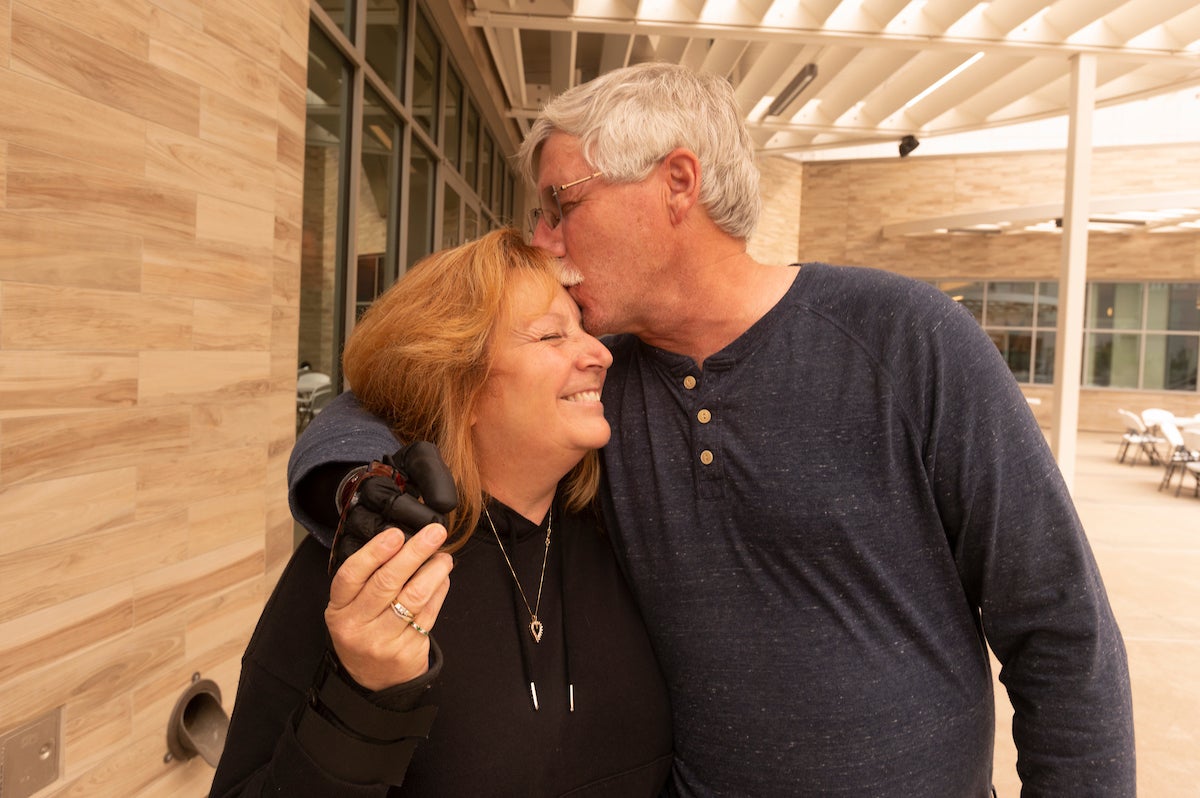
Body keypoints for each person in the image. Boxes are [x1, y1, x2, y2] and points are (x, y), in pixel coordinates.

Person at [287, 63, 1136, 796]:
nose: (546, 240)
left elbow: (1060, 630)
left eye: (561, 203)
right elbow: (397, 388)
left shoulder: (906, 338)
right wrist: (358, 485)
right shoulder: (596, 385)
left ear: (678, 183)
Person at [210, 229, 672, 796]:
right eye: (553, 335)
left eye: (586, 330)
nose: (601, 354)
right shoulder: (375, 560)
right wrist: (364, 695)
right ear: (463, 384)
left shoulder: (625, 530)